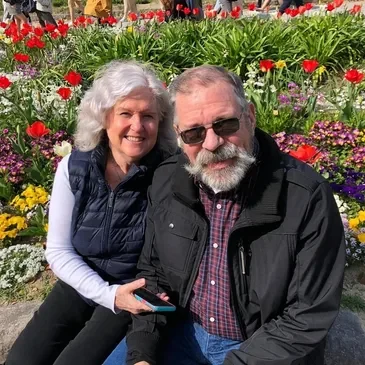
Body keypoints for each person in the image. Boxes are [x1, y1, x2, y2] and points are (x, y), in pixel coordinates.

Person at [106, 65, 346, 365]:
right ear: (179, 137)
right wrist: (143, 352)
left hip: (260, 348)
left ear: (251, 116)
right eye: (194, 133)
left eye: (225, 125)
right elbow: (153, 273)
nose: (212, 143)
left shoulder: (303, 196)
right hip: (181, 332)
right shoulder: (168, 181)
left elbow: (307, 314)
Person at [6, 60, 177, 365]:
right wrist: (105, 293)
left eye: (148, 116)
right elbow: (58, 251)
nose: (137, 126)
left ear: (160, 123)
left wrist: (120, 297)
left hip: (132, 292)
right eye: (126, 113)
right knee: (21, 360)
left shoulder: (167, 175)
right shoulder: (76, 167)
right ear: (104, 117)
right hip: (81, 282)